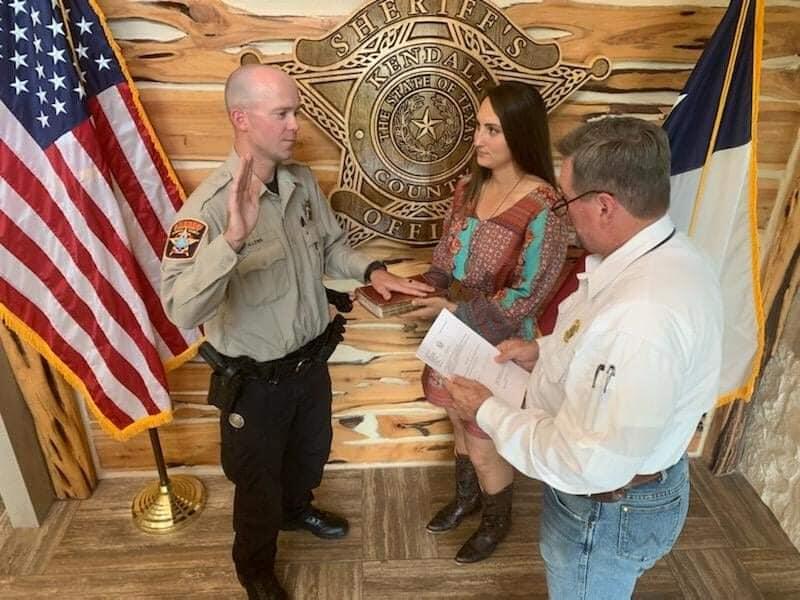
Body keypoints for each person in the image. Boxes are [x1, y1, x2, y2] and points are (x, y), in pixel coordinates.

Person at [160, 64, 431, 600]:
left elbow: (330, 247)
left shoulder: (301, 182)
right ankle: (255, 566)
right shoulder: (208, 211)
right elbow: (180, 308)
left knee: (310, 454)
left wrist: (372, 272)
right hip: (256, 384)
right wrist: (233, 240)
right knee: (255, 484)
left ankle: (296, 510)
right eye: (282, 113)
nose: (295, 125)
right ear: (241, 119)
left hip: (310, 364)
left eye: (296, 111)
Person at [446, 117, 724, 598]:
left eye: (567, 200)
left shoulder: (641, 315)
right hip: (625, 492)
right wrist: (542, 352)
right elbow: (598, 343)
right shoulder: (667, 257)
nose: (563, 212)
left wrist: (486, 411)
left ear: (604, 206)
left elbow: (584, 462)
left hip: (605, 509)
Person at [404, 82, 569, 563]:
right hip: (450, 337)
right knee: (457, 420)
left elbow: (527, 295)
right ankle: (467, 498)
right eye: (478, 126)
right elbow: (443, 261)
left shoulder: (546, 206)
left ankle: (497, 519)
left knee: (484, 438)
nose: (477, 138)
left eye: (492, 130)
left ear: (521, 134)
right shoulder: (467, 187)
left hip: (500, 343)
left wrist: (455, 310)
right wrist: (416, 288)